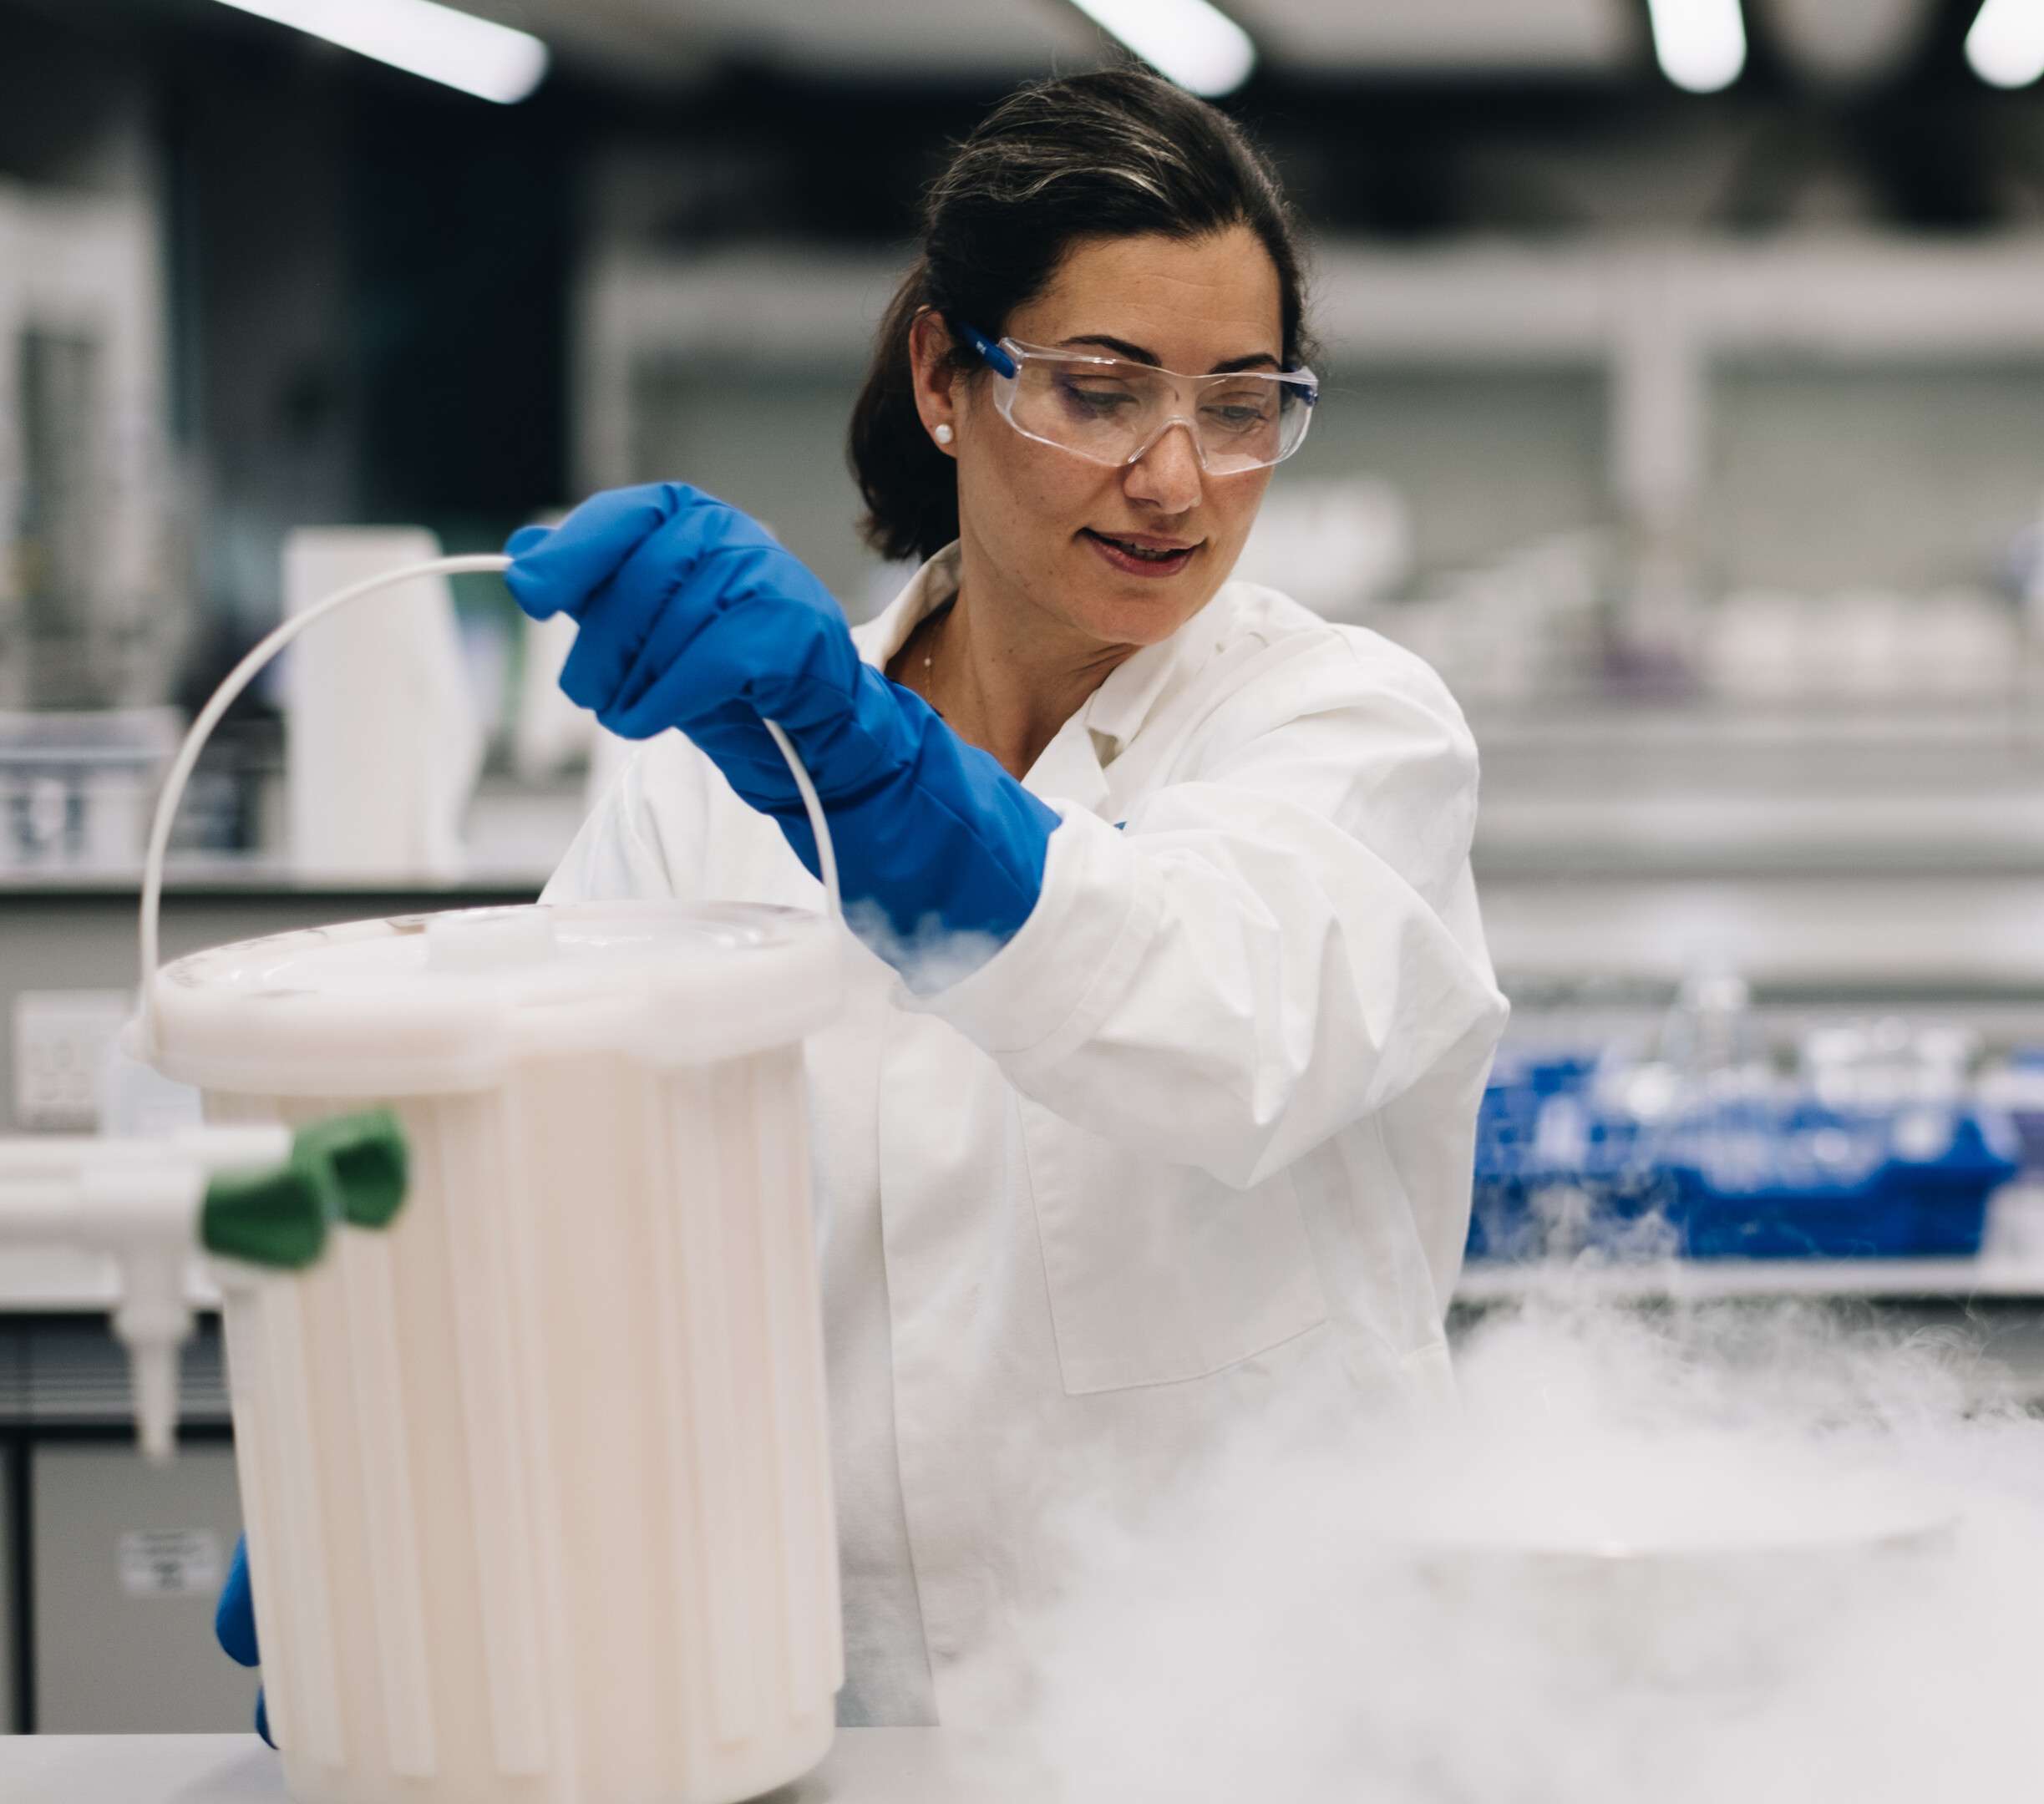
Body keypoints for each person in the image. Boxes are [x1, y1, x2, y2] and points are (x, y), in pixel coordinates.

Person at [219, 68, 1506, 1729]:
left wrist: (864, 768)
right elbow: (551, 1172)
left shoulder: (1349, 730)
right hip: (820, 1711)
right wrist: (403, 1444)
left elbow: (1214, 1015)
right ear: (944, 379)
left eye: (1242, 405)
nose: (1178, 478)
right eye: (1100, 392)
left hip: (1271, 1726)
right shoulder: (703, 791)